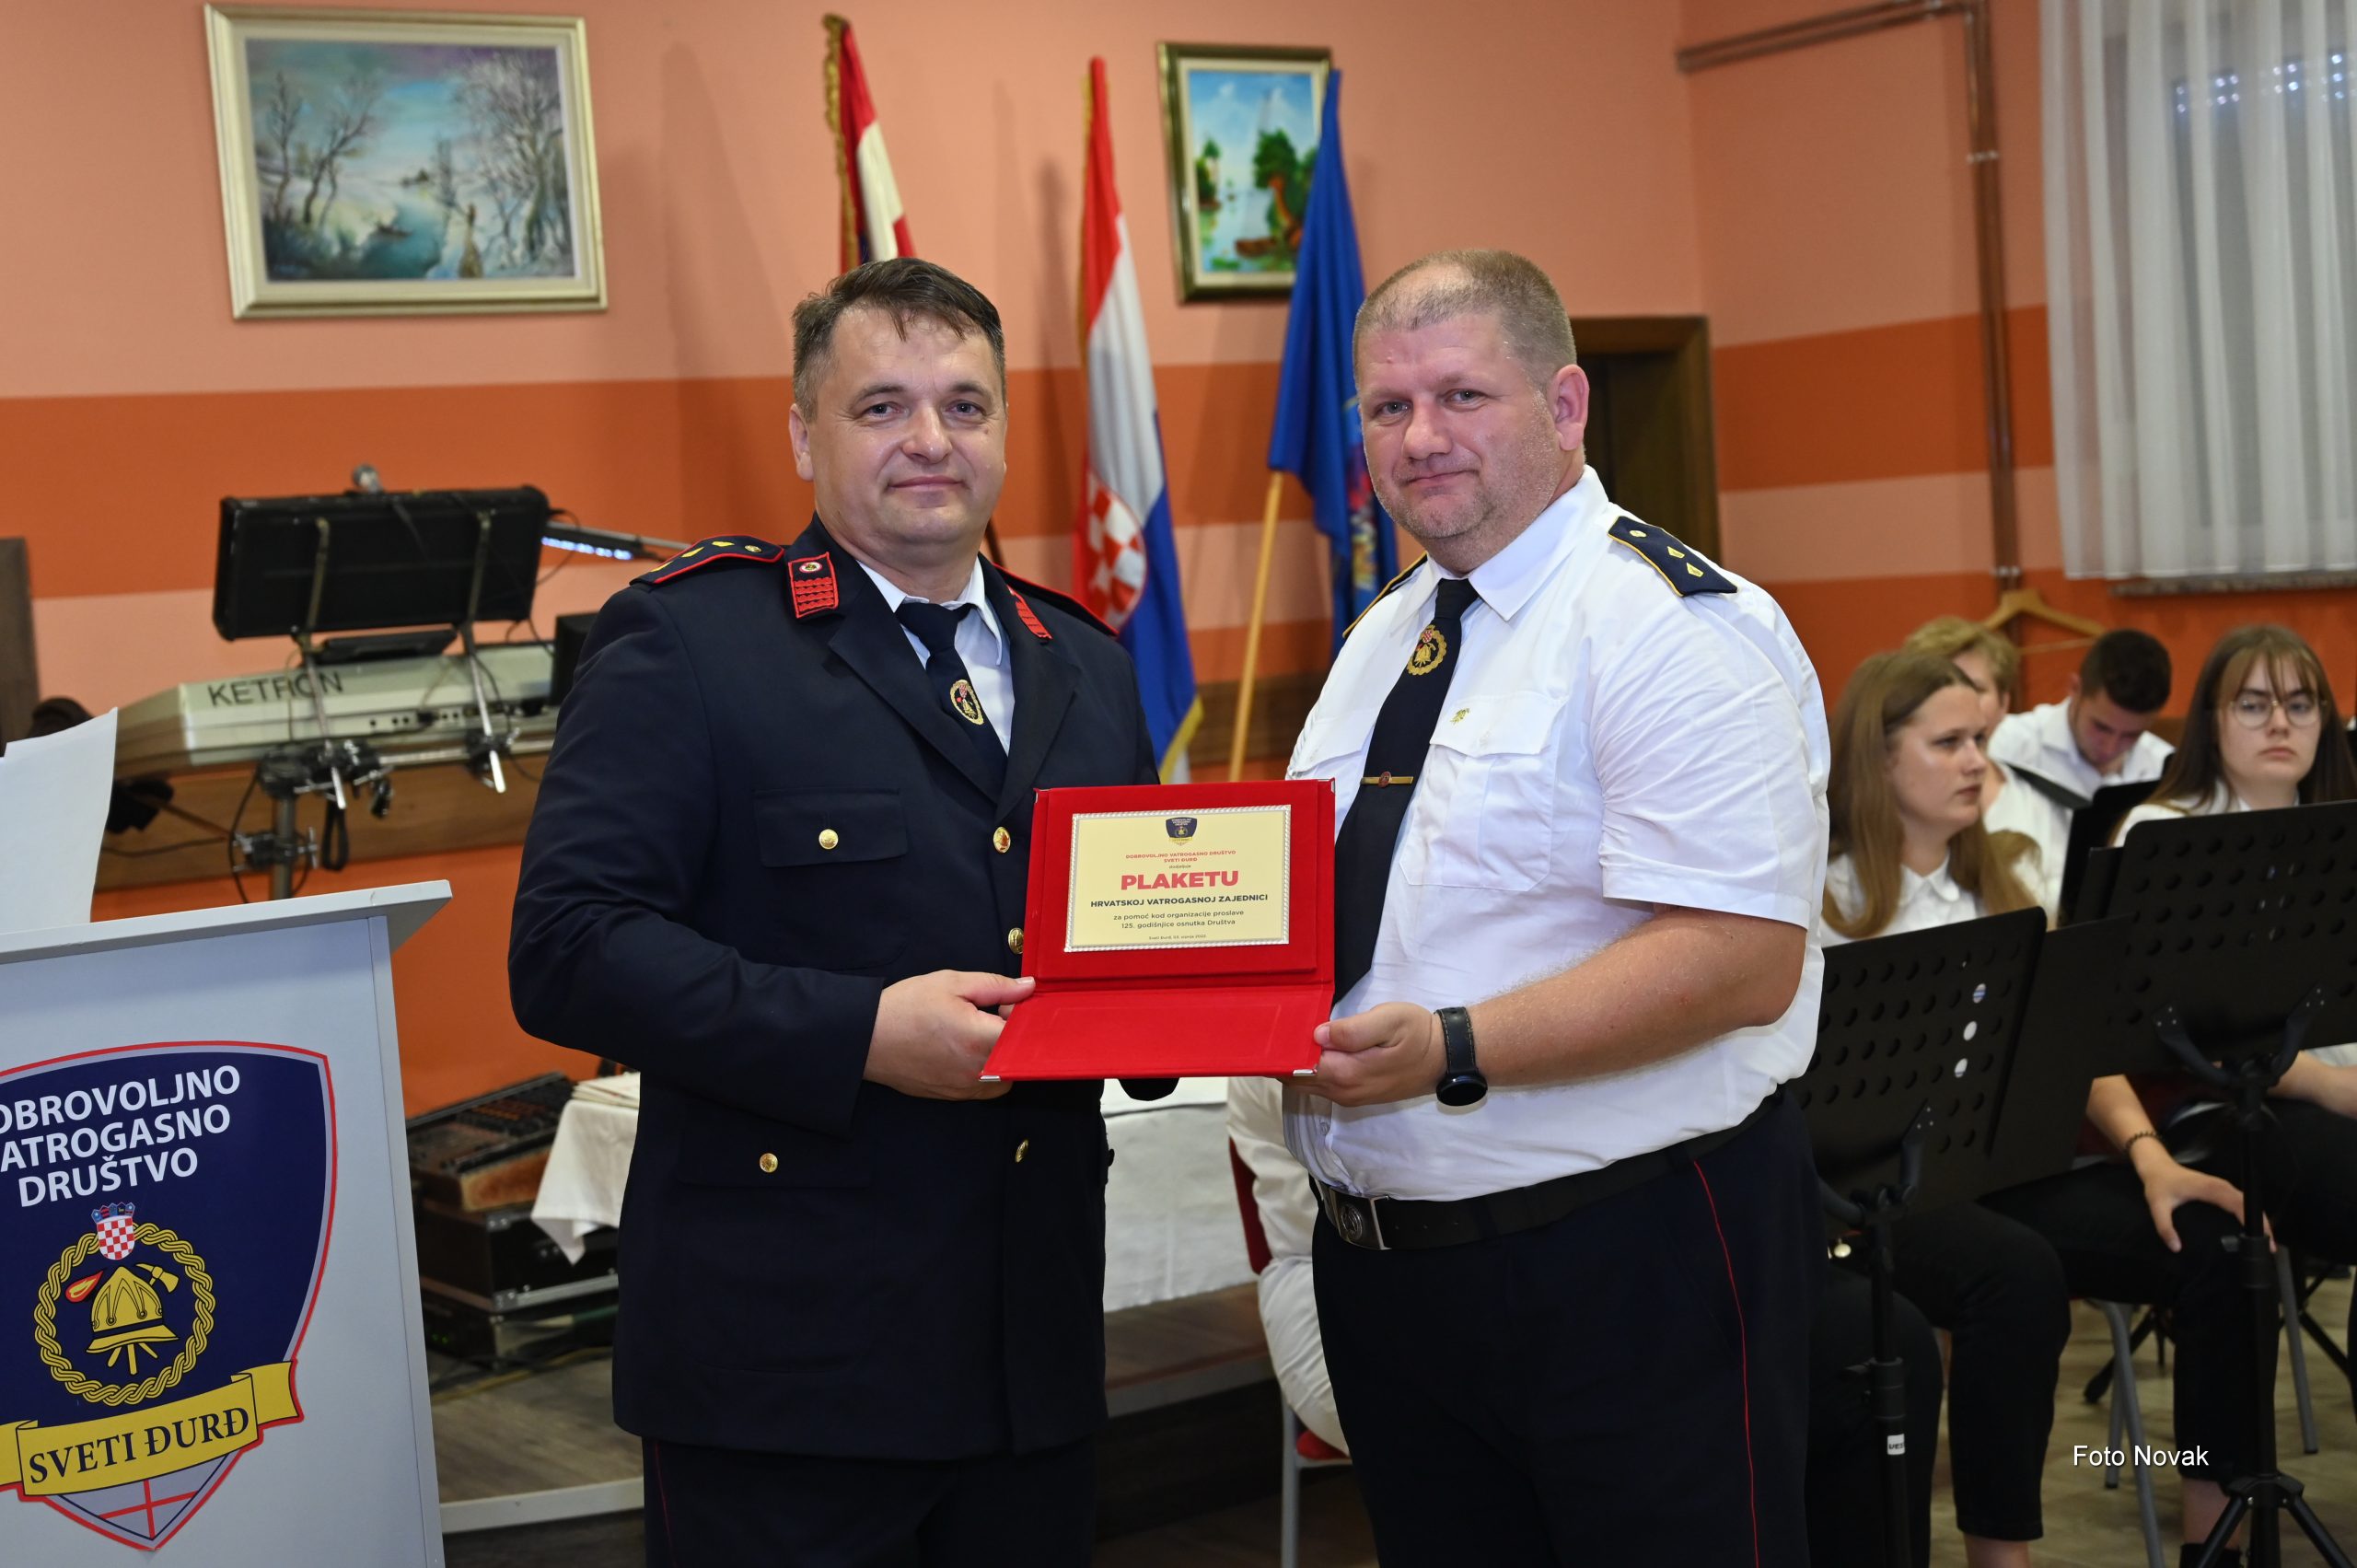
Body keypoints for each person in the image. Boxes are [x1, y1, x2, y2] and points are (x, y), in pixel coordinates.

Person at [508, 257, 1170, 1567]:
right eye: (882, 407)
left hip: (1027, 1359)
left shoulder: (1086, 665)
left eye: (965, 405)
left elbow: (1123, 946)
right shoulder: (691, 643)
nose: (931, 439)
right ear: (805, 434)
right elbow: (569, 946)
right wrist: (861, 1031)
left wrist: (1217, 1001)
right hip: (785, 1369)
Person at [1283, 249, 1829, 1565]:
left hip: (1623, 1255)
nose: (1420, 437)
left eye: (1461, 395)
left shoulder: (1670, 625)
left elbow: (1739, 957)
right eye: (1388, 407)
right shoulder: (1382, 636)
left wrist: (1453, 1044)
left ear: (1566, 403)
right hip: (1392, 1274)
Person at [1984, 624, 2357, 1563]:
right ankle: (2214, 1535)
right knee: (2259, 1227)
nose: (2280, 722)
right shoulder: (2165, 830)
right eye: (2253, 703)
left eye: (2300, 702)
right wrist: (2338, 1089)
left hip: (2320, 1099)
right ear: (2210, 721)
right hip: (2204, 1108)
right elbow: (2193, 1027)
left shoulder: (2340, 826)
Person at [1815, 651, 2071, 1568]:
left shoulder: (2004, 878)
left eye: (1981, 741)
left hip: (1986, 1162)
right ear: (1879, 759)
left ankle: (2003, 1544)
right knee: (2011, 1272)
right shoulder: (1825, 897)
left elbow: (2061, 1050)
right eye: (1950, 742)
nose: (1977, 763)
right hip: (1865, 1187)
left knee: (2058, 1262)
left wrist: (2149, 1152)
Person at [1903, 615, 2059, 905]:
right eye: (1939, 689)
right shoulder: (1898, 808)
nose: (1959, 704)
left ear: (2004, 704)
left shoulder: (2044, 800)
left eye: (1975, 688)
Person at [1986, 628, 2174, 851]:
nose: (2111, 747)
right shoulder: (2004, 747)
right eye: (2101, 727)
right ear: (2075, 688)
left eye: (2131, 735)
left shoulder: (2167, 769)